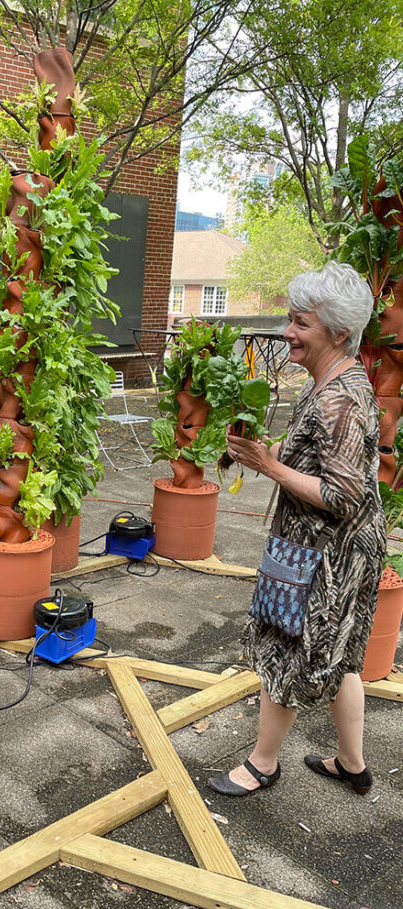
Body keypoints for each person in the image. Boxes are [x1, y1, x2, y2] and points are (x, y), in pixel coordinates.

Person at [209, 261, 386, 798]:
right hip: (323, 549)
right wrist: (266, 452)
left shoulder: (341, 400)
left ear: (337, 332)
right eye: (290, 319)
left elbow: (342, 493)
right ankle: (352, 764)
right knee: (343, 657)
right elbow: (316, 457)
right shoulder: (329, 381)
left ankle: (262, 764)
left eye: (300, 323)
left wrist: (271, 468)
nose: (288, 331)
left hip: (325, 556)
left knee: (290, 649)